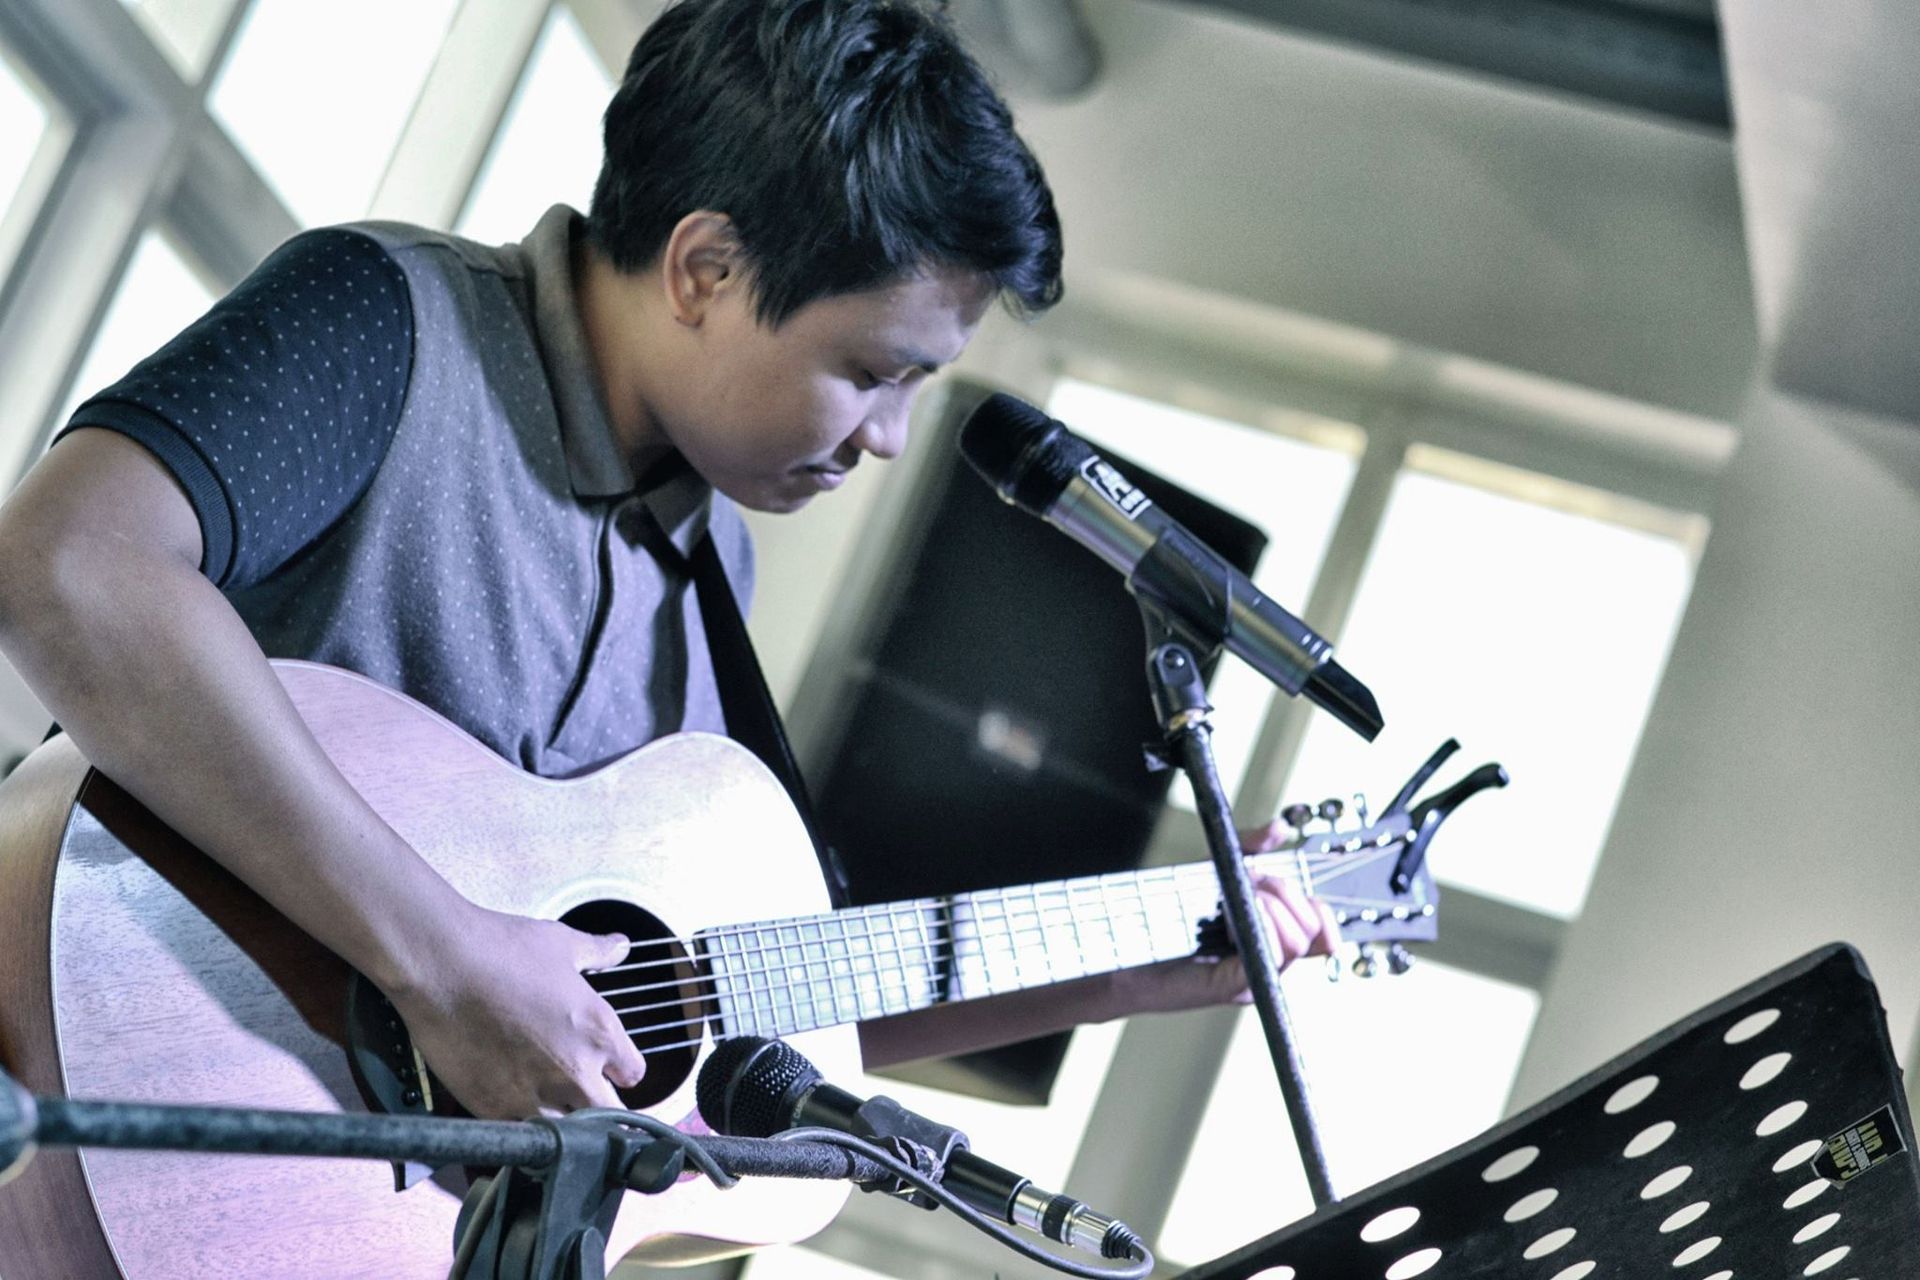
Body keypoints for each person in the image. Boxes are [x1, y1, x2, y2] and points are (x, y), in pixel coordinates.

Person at [0, 0, 1334, 1127]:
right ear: (704, 268)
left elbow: (746, 997)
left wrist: (1171, 956)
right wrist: (446, 959)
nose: (887, 440)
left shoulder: (713, 582)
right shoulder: (393, 319)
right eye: (873, 373)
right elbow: (67, 563)